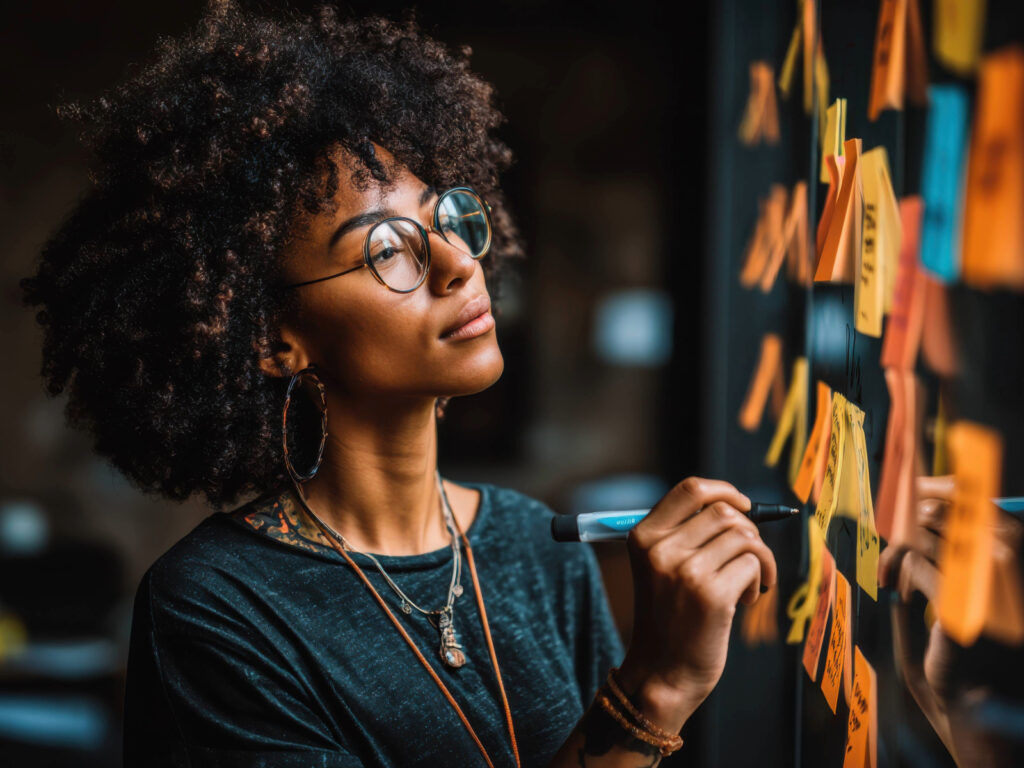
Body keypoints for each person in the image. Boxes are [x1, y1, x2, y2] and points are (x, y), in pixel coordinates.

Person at [20, 2, 777, 766]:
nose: (457, 262)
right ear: (271, 339)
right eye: (387, 250)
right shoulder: (217, 608)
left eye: (445, 217)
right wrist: (653, 691)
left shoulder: (541, 549)